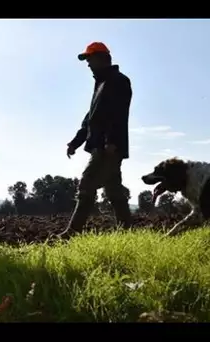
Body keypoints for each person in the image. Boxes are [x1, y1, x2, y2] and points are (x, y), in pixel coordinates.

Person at [60, 42, 133, 237]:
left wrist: (112, 141)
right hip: (100, 145)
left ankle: (72, 233)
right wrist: (76, 142)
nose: (88, 64)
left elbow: (118, 113)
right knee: (114, 190)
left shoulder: (118, 81)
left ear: (102, 58)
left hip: (107, 147)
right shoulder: (101, 84)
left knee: (86, 185)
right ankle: (127, 231)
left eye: (90, 59)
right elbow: (91, 118)